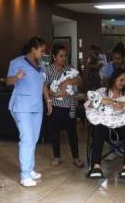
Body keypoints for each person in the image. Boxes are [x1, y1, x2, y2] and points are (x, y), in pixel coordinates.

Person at [6, 37, 52, 187]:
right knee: (27, 139)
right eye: (42, 50)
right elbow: (8, 81)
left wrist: (48, 101)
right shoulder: (17, 62)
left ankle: (30, 169)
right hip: (22, 106)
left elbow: (43, 83)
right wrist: (16, 77)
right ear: (33, 49)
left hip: (37, 107)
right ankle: (24, 175)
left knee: (33, 139)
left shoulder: (41, 64)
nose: (44, 53)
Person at [85, 69, 125, 179]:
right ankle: (96, 166)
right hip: (105, 127)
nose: (123, 83)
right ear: (113, 79)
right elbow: (88, 104)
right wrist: (104, 101)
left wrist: (121, 103)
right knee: (98, 127)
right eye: (120, 80)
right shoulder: (101, 92)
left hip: (121, 127)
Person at [45, 44, 84, 168]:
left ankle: (76, 158)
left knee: (72, 132)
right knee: (54, 132)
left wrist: (69, 81)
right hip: (55, 105)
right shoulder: (49, 69)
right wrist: (52, 93)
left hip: (69, 106)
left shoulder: (69, 68)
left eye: (65, 56)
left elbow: (80, 80)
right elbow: (44, 86)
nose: (63, 58)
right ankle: (57, 157)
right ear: (54, 57)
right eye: (61, 56)